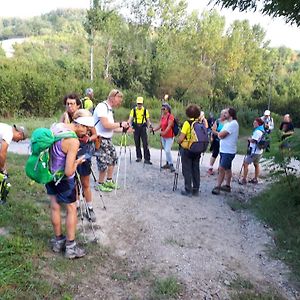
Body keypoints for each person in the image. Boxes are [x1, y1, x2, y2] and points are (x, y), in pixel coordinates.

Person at [46, 110, 95, 259]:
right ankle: (71, 247)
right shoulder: (72, 141)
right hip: (65, 181)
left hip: (49, 175)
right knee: (71, 208)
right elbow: (68, 171)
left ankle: (58, 241)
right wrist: (78, 161)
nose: (86, 132)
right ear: (79, 125)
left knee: (54, 206)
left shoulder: (56, 126)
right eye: (86, 128)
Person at [61, 94, 98, 222]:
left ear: (78, 105)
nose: (69, 106)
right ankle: (75, 206)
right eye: (67, 104)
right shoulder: (64, 117)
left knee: (85, 182)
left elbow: (95, 135)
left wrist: (88, 138)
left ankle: (90, 207)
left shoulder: (85, 117)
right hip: (70, 152)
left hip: (84, 151)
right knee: (73, 182)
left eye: (72, 103)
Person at [93, 89, 130, 192]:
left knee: (113, 158)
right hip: (100, 138)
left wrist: (124, 129)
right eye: (119, 99)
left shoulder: (109, 109)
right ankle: (100, 183)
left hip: (108, 138)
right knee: (103, 161)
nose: (120, 102)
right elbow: (106, 125)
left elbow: (111, 127)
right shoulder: (102, 107)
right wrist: (120, 124)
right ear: (113, 97)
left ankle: (109, 180)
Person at [212, 108, 239, 195]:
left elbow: (222, 135)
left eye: (226, 113)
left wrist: (215, 132)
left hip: (228, 151)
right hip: (224, 150)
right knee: (227, 168)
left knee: (221, 168)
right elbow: (221, 134)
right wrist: (218, 133)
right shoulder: (228, 123)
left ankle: (218, 186)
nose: (224, 115)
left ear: (230, 114)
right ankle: (227, 186)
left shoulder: (233, 124)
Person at [178, 104, 202, 197]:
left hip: (187, 149)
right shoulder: (200, 123)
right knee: (196, 168)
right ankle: (196, 189)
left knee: (187, 169)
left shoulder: (187, 123)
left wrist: (178, 141)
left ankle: (188, 189)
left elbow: (181, 138)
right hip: (198, 148)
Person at [239, 118, 265, 185]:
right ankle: (255, 179)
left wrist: (249, 139)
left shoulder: (257, 131)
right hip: (259, 151)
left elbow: (253, 140)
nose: (253, 124)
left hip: (253, 151)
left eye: (255, 123)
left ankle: (244, 179)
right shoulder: (262, 130)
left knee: (245, 163)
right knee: (256, 164)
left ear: (258, 124)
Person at [128, 96, 152, 164]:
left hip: (143, 127)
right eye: (138, 104)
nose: (139, 105)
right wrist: (127, 124)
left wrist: (150, 126)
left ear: (142, 103)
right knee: (137, 142)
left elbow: (147, 120)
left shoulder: (145, 110)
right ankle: (139, 157)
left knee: (145, 143)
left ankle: (147, 159)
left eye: (140, 104)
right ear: (136, 103)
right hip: (136, 126)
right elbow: (130, 118)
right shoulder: (133, 110)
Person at [152, 103, 175, 172]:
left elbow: (169, 126)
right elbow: (160, 125)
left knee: (167, 150)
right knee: (166, 150)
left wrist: (164, 132)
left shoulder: (170, 116)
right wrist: (153, 130)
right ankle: (168, 163)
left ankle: (171, 164)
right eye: (162, 108)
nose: (162, 110)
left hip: (169, 136)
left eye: (164, 108)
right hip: (163, 137)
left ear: (167, 109)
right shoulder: (163, 117)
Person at [207, 109, 227, 175]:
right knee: (214, 154)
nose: (223, 116)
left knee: (222, 155)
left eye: (225, 114)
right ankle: (210, 168)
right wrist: (219, 134)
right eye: (222, 114)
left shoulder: (228, 122)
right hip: (217, 140)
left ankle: (220, 168)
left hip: (224, 141)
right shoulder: (217, 121)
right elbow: (213, 130)